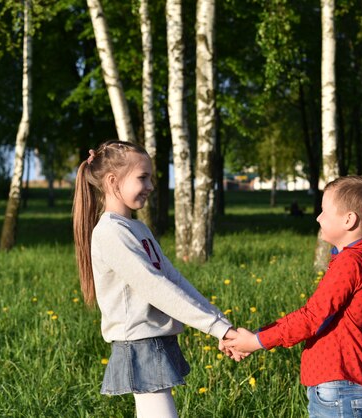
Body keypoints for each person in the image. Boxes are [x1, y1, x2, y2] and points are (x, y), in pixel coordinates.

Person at [72, 140, 242, 418]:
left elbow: (172, 279)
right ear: (113, 181)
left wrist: (221, 324)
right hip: (140, 342)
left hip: (153, 338)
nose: (151, 185)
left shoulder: (137, 227)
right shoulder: (111, 232)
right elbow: (156, 288)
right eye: (143, 177)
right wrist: (217, 328)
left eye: (150, 177)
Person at [224, 175, 362, 418]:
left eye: (324, 211)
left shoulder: (350, 263)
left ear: (349, 220)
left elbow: (311, 317)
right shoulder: (351, 260)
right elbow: (315, 315)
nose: (318, 217)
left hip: (338, 387)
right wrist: (257, 335)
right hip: (335, 387)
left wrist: (258, 341)